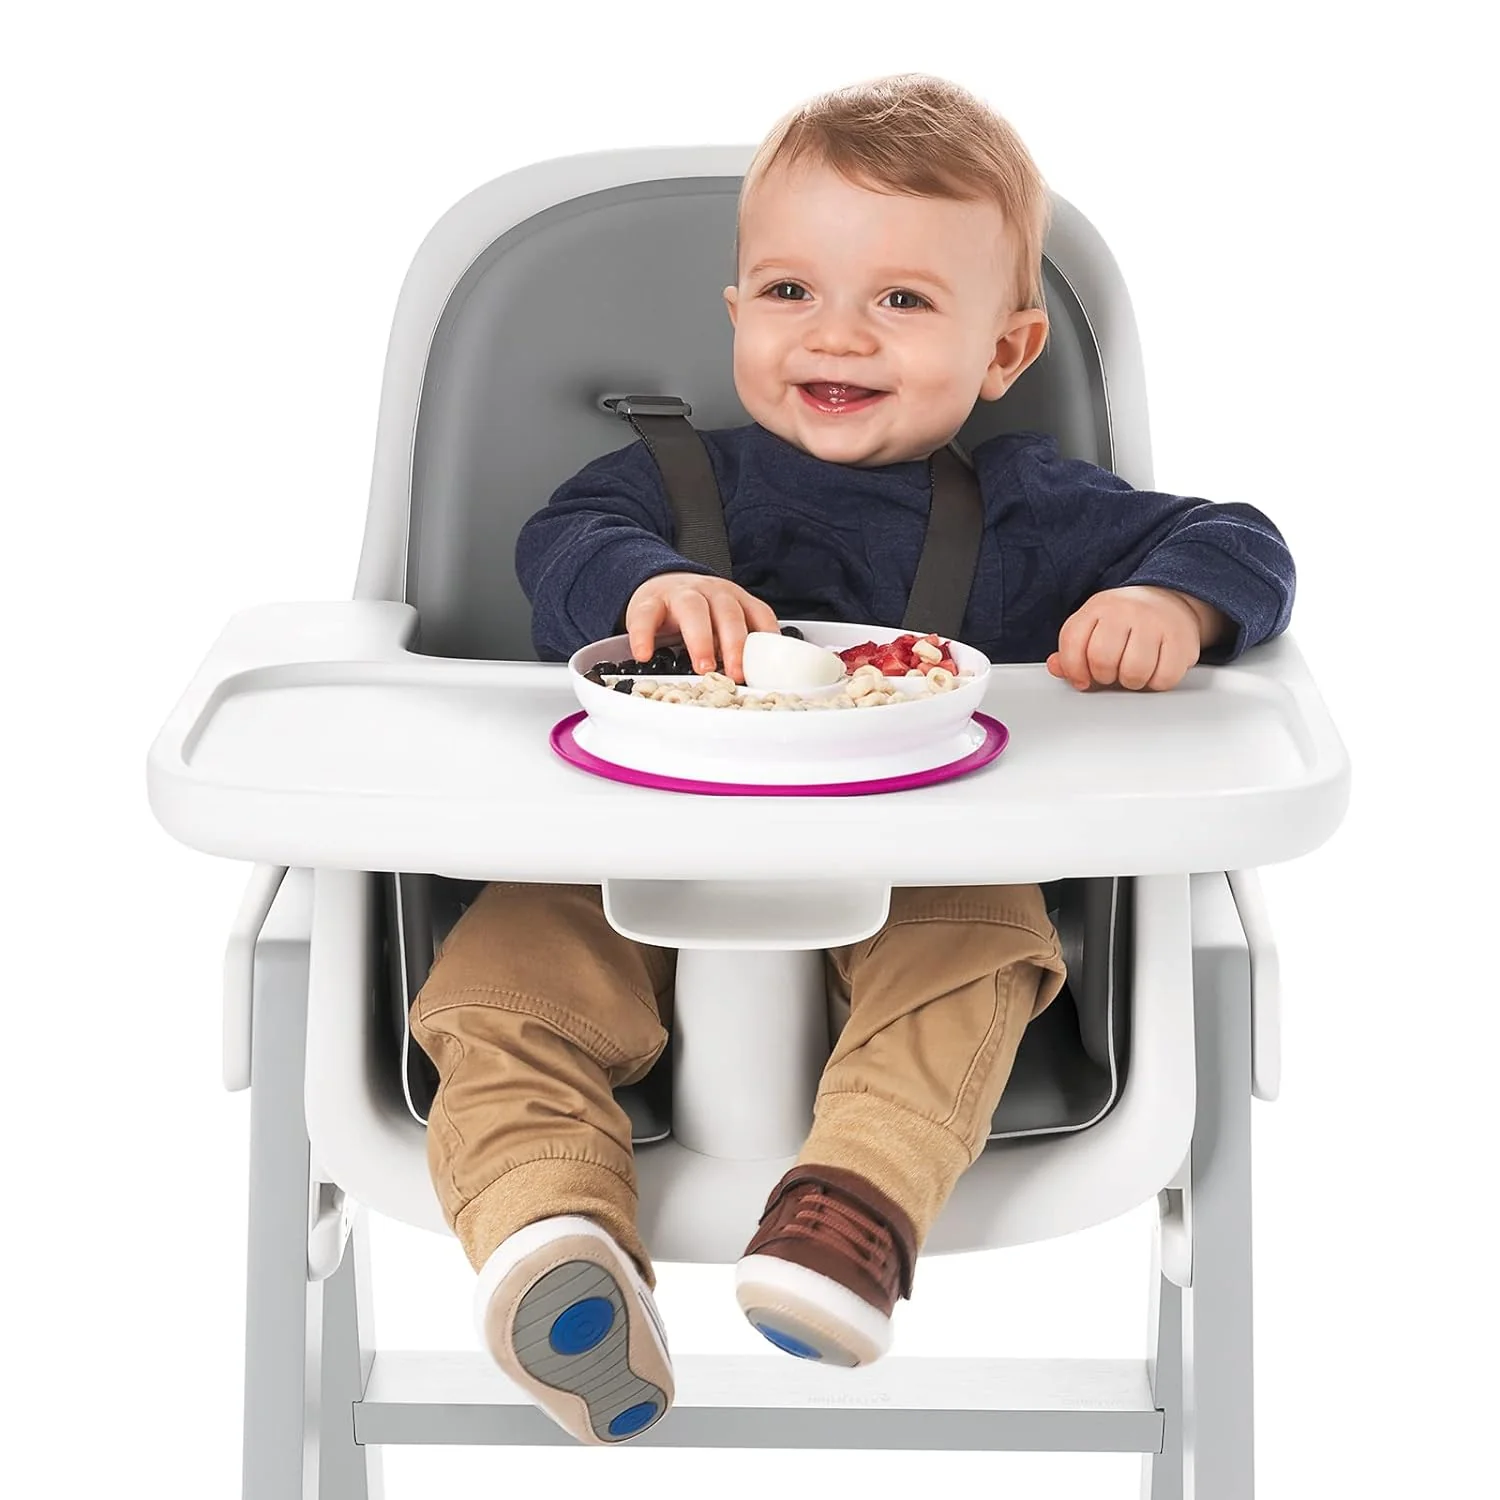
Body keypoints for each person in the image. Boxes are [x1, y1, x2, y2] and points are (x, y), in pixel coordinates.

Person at [410, 72, 1295, 1446]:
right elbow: (561, 547)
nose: (838, 333)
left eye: (903, 301)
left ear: (1005, 352)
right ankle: (551, 1244)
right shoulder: (669, 483)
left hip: (920, 882)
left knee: (985, 947)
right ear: (735, 313)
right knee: (499, 988)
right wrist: (645, 585)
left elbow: (1241, 541)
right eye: (790, 292)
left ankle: (848, 1218)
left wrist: (1166, 603)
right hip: (624, 866)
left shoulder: (1029, 506)